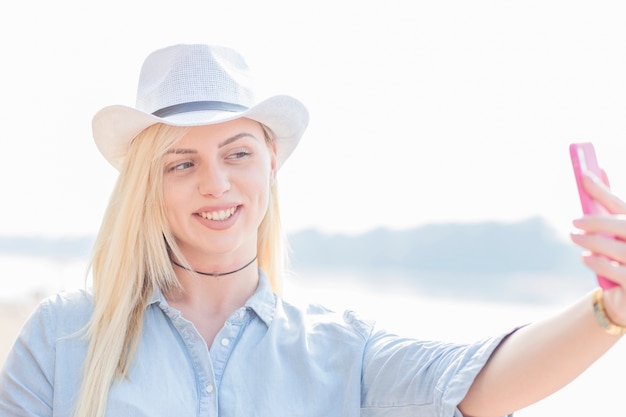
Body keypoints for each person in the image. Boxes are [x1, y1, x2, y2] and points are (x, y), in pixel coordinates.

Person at [0, 43, 624, 417]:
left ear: (271, 163)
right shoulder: (61, 336)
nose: (215, 183)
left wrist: (608, 312)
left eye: (237, 153)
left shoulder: (341, 347)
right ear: (147, 186)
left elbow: (472, 381)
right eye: (182, 163)